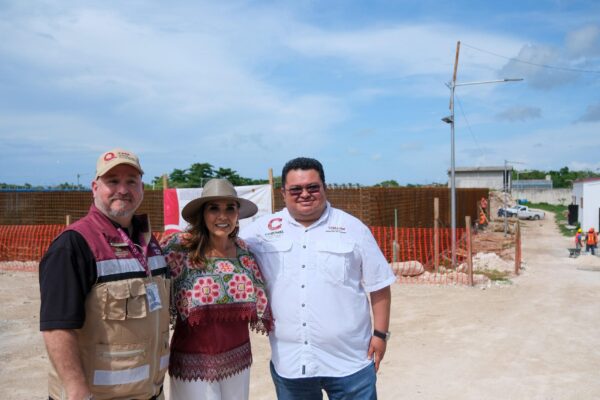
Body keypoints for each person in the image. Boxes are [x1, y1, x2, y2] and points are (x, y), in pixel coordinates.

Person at [241, 157, 396, 400]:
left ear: (325, 187)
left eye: (312, 187)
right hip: (291, 362)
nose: (305, 194)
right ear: (283, 193)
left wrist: (380, 335)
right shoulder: (261, 231)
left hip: (351, 362)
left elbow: (379, 285)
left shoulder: (353, 228)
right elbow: (223, 248)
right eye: (296, 189)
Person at [39, 148, 170, 400]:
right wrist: (77, 392)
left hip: (151, 393)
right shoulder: (73, 245)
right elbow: (57, 327)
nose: (123, 189)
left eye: (131, 181)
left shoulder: (148, 241)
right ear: (95, 187)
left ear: (142, 188)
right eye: (113, 181)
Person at [160, 178, 272, 400]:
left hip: (238, 361)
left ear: (237, 214)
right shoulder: (179, 249)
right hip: (194, 364)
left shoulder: (245, 253)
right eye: (214, 208)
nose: (223, 216)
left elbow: (262, 298)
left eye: (230, 208)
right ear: (202, 214)